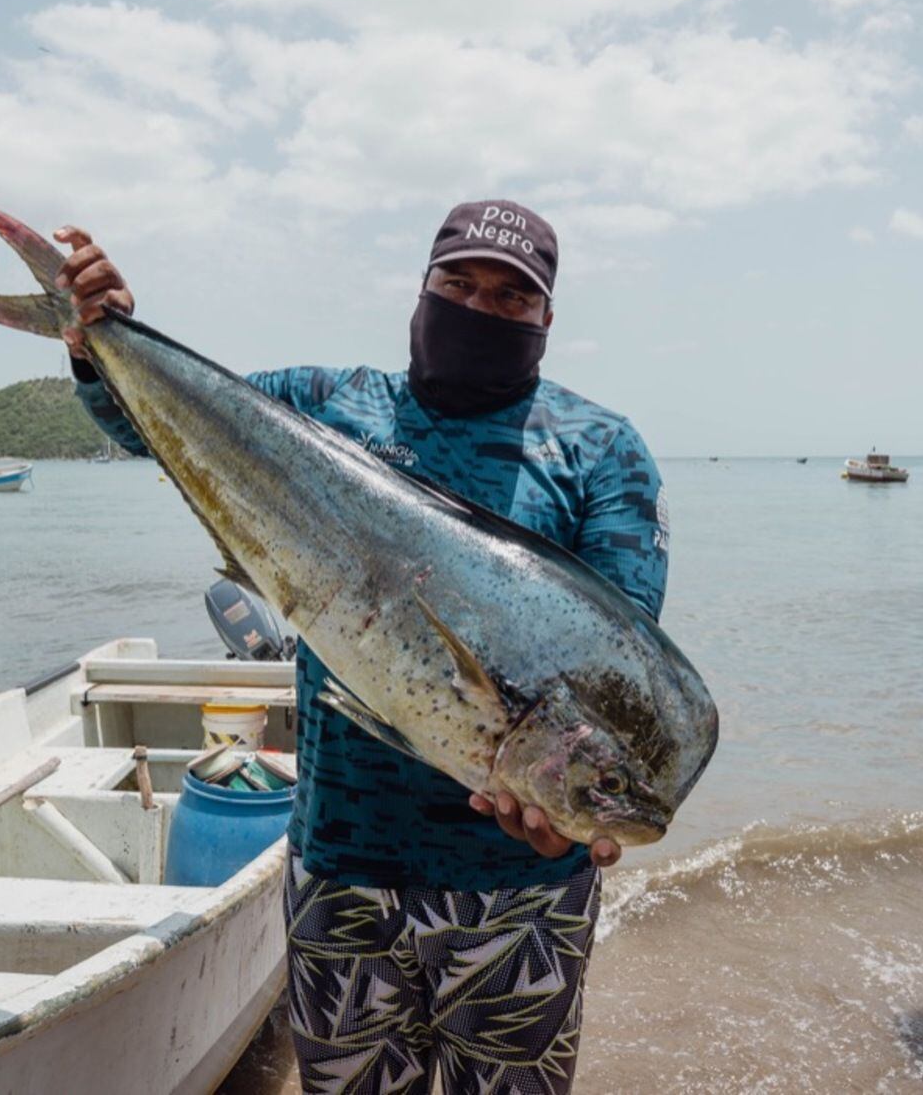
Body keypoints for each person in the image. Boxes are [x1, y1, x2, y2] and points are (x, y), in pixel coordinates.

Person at [59, 200, 669, 1093]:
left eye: (509, 297)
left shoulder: (600, 449)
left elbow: (622, 659)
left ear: (546, 318)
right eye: (458, 285)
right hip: (344, 863)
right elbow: (144, 422)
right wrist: (97, 339)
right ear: (422, 288)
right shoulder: (323, 406)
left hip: (521, 889)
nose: (478, 308)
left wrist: (581, 813)